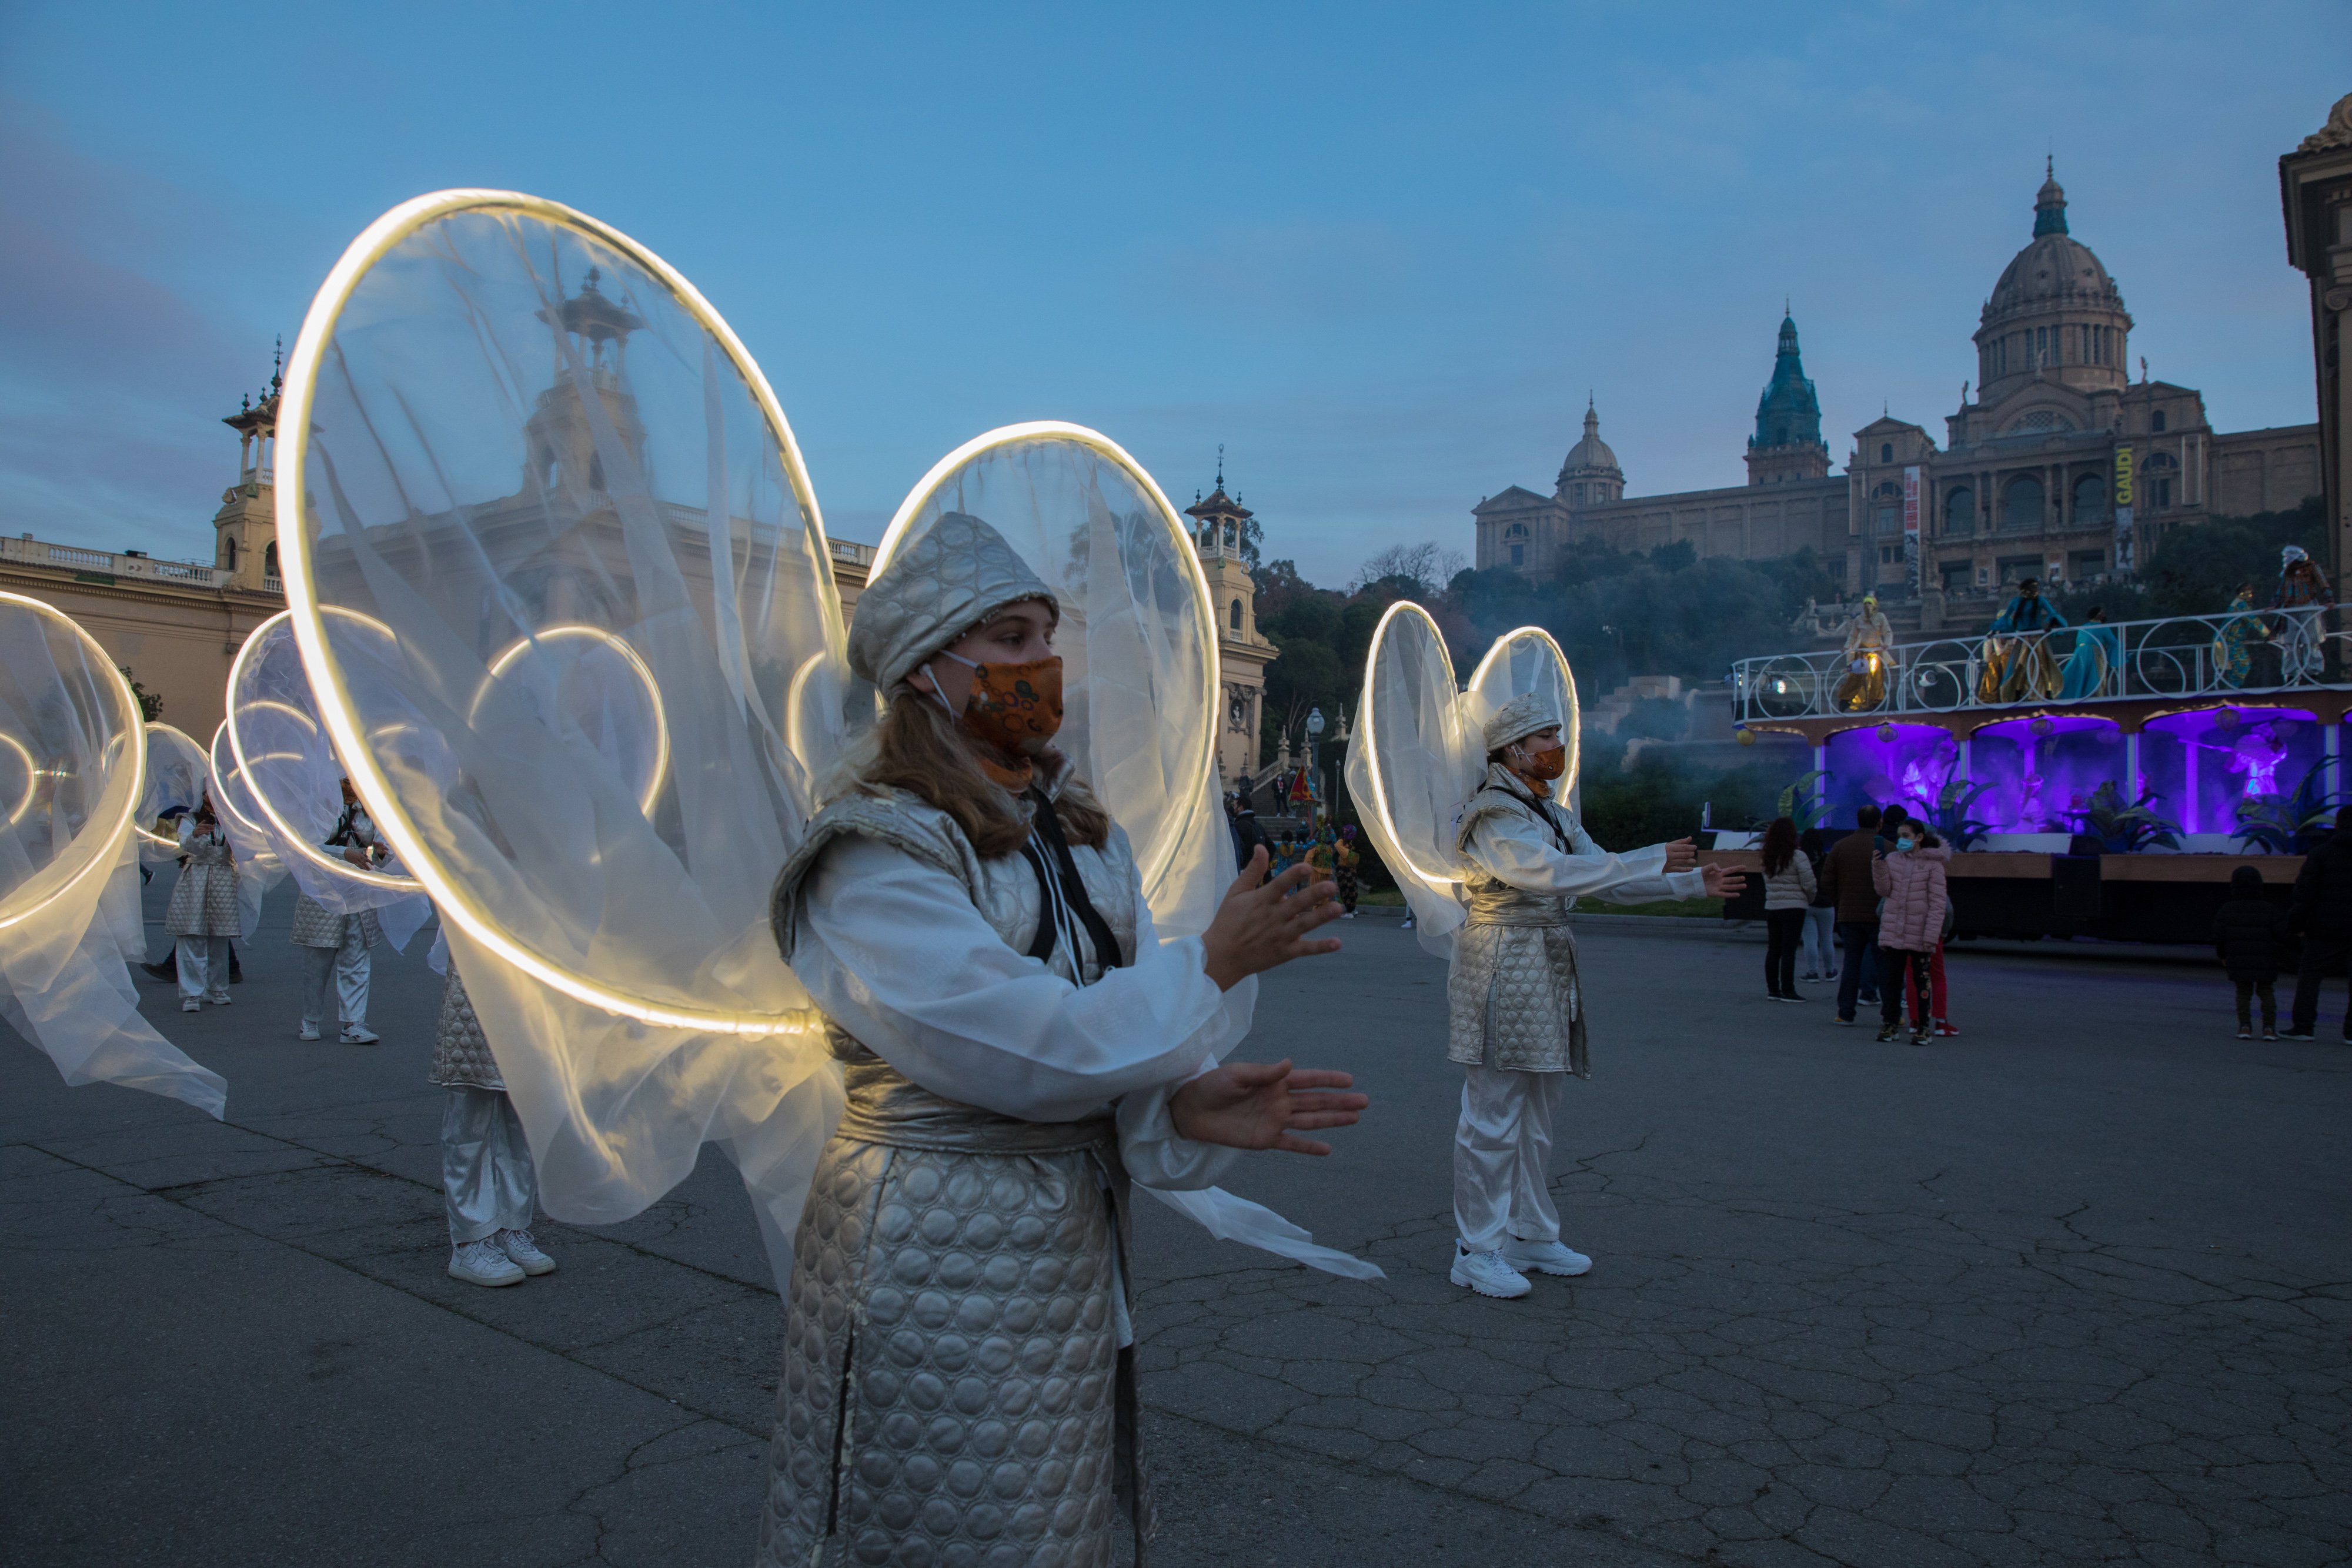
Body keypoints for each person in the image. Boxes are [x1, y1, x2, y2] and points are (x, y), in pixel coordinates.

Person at [757, 513, 1366, 1565]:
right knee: (936, 1527)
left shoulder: (1075, 829)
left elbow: (1104, 1027)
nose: (1042, 661)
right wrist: (1211, 965)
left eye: (1045, 632)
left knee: (1052, 1523)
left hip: (1065, 1242)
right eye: (1006, 638)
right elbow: (1022, 1048)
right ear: (922, 671)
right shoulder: (873, 851)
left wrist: (1175, 1105)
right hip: (926, 1243)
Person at [1444, 693, 1743, 1299]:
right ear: (1511, 750)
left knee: (1538, 1112)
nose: (1557, 746)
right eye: (1545, 737)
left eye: (1557, 734)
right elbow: (1547, 874)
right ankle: (1475, 1249)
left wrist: (1685, 882)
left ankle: (1529, 1233)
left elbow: (1599, 873)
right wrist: (1650, 858)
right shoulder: (1495, 814)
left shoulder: (1551, 814)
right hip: (1500, 958)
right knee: (1493, 1113)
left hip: (1546, 959)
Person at [431, 958, 556, 1285]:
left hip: (532, 972)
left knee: (522, 1111)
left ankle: (510, 1227)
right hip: (480, 969)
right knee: (471, 1111)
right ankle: (470, 1239)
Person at [288, 778, 386, 1045]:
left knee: (357, 955)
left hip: (358, 890)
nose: (352, 785)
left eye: (355, 779)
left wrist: (379, 852)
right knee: (318, 958)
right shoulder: (318, 808)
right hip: (323, 889)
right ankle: (310, 1018)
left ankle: (354, 1023)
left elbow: (377, 849)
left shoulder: (369, 812)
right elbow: (306, 846)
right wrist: (343, 853)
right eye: (346, 781)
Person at [1872, 825, 1950, 1045]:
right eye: (1899, 837)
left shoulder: (1934, 866)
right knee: (1892, 981)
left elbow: (1938, 904)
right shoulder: (1893, 860)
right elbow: (1883, 891)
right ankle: (1890, 1023)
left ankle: (1923, 1027)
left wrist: (1931, 935)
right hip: (1895, 930)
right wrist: (1877, 866)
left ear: (1919, 838)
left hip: (1920, 932)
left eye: (1906, 836)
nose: (1901, 841)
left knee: (1921, 980)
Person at [163, 793, 239, 1012]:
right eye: (208, 793)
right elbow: (188, 847)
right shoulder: (190, 819)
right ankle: (192, 992)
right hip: (196, 876)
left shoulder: (231, 818)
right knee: (192, 935)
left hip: (223, 878)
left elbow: (242, 848)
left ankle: (217, 987)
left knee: (219, 936)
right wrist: (195, 835)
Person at [2284, 804, 2352, 1039]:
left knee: (2310, 976)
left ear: (2337, 825)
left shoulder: (2321, 854)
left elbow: (2304, 894)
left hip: (2324, 927)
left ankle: (2304, 1027)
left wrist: (2296, 925)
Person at [1819, 805, 1884, 1024]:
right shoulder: (1888, 847)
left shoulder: (1840, 846)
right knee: (1885, 965)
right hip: (1879, 917)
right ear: (1880, 823)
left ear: (1857, 821)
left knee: (1851, 964)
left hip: (1849, 916)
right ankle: (1890, 1015)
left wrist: (1841, 901)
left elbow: (1827, 880)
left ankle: (1846, 1012)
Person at [2214, 865, 2288, 1041]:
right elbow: (2281, 934)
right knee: (2266, 992)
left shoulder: (2227, 909)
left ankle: (2245, 1027)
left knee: (2243, 992)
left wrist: (2223, 955)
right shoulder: (2269, 909)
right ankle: (2269, 1029)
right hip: (2265, 958)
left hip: (2238, 957)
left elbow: (2219, 936)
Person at [1977, 577, 2067, 703]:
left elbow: (2052, 613)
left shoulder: (2040, 600)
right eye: (2033, 587)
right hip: (2023, 638)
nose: (2036, 590)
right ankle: (2018, 693)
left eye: (2037, 587)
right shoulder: (2016, 602)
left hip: (2036, 636)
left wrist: (2050, 625)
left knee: (2043, 664)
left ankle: (2048, 691)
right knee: (2021, 665)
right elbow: (2006, 617)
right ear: (2025, 589)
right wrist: (1994, 631)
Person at [1758, 815, 1815, 1001]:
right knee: (1789, 950)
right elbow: (1809, 883)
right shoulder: (1798, 856)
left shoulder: (1767, 856)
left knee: (1774, 948)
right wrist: (1809, 899)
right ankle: (1789, 990)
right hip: (1795, 907)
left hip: (1773, 907)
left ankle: (1773, 989)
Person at [2276, 545, 2334, 679]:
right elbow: (2282, 590)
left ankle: (2313, 672)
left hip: (2308, 605)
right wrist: (2275, 604)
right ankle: (2290, 674)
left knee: (2311, 639)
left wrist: (2329, 599)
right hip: (2290, 607)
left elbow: (2323, 584)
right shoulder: (2287, 571)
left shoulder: (2312, 567)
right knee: (2290, 642)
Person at [1833, 595, 1893, 711]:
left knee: (1876, 677)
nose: (1867, 606)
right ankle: (1845, 700)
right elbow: (1853, 636)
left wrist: (1887, 644)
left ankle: (1875, 702)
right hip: (1862, 651)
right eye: (1865, 604)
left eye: (1869, 603)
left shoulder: (1881, 617)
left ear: (1874, 605)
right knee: (1856, 676)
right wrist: (1846, 647)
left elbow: (1887, 631)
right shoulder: (1859, 619)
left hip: (1876, 651)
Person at [1797, 825, 1838, 983]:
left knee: (1810, 940)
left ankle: (1812, 972)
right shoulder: (1826, 858)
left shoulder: (1800, 857)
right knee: (1827, 939)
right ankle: (1830, 971)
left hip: (1807, 903)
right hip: (1827, 904)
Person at [2057, 606, 2121, 701]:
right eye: (2102, 613)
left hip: (2080, 652)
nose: (2104, 615)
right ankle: (2097, 698)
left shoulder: (2083, 627)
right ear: (2098, 616)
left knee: (2079, 675)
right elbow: (2114, 643)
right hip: (2094, 652)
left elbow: (2079, 641)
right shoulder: (2102, 627)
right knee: (2097, 675)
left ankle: (2066, 694)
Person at [2213, 581, 2261, 690]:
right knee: (2242, 664)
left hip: (2225, 639)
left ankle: (2231, 690)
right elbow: (2253, 620)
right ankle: (2232, 690)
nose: (2250, 592)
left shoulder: (2240, 603)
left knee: (2232, 667)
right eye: (2246, 589)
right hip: (2228, 639)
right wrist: (2267, 633)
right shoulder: (2240, 604)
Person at [1334, 824, 1363, 918]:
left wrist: (1348, 854)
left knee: (1350, 889)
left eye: (1346, 831)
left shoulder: (1349, 842)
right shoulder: (1344, 842)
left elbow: (1339, 847)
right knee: (1347, 889)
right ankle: (1350, 909)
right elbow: (1338, 847)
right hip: (1344, 869)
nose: (1344, 832)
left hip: (1348, 869)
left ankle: (1351, 909)